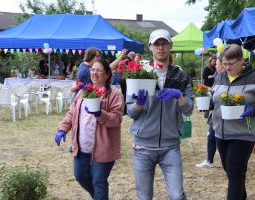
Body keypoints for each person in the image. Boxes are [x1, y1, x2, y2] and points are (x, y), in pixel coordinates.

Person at [126, 29, 194, 200]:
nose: (161, 47)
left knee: (177, 196)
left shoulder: (181, 75)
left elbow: (189, 109)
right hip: (143, 147)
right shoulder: (140, 73)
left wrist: (178, 96)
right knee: (144, 197)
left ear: (170, 46)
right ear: (150, 47)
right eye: (157, 44)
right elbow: (130, 112)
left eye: (164, 43)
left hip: (170, 146)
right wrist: (139, 104)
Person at [54, 58, 124, 199]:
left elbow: (116, 120)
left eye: (99, 70)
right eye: (92, 69)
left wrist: (100, 113)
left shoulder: (114, 94)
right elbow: (72, 113)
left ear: (107, 74)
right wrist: (62, 129)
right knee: (80, 176)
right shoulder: (84, 91)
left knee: (99, 182)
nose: (94, 73)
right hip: (82, 146)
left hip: (103, 147)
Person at [211, 44, 255, 200]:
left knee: (234, 171)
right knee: (233, 172)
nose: (227, 67)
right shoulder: (220, 76)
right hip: (220, 131)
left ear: (241, 60)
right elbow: (214, 97)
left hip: (243, 133)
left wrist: (253, 109)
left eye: (231, 64)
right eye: (224, 64)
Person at [196, 54, 225, 168]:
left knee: (217, 138)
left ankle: (224, 162)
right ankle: (209, 161)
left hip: (221, 113)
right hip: (215, 112)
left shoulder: (225, 77)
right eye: (215, 63)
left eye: (217, 63)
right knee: (211, 136)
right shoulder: (217, 75)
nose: (216, 65)